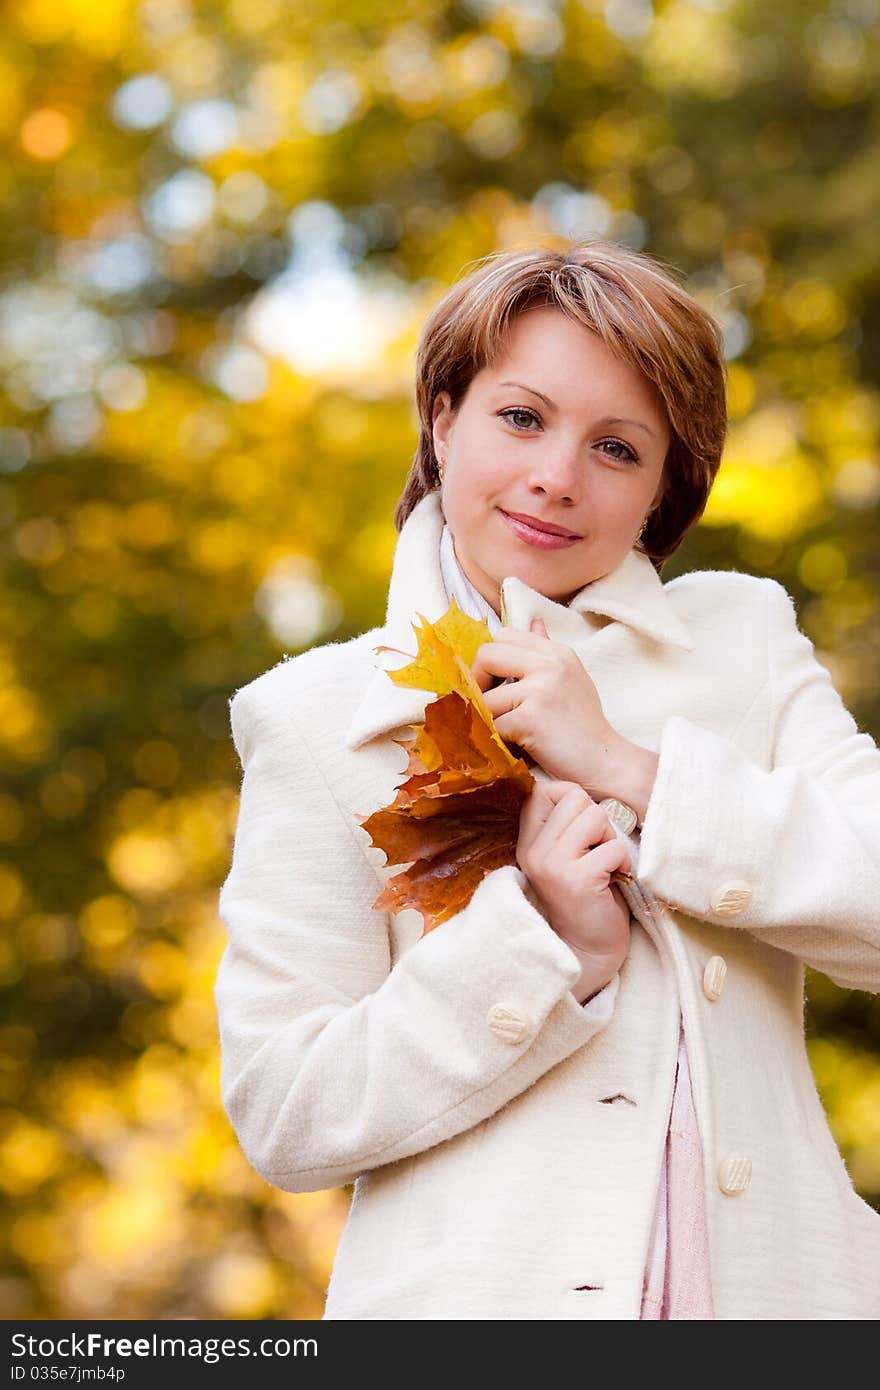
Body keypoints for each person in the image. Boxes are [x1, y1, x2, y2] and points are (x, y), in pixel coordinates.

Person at [214, 242, 880, 1320]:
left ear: (667, 485)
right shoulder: (314, 720)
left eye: (616, 448)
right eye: (520, 418)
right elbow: (288, 1112)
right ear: (441, 419)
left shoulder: (745, 644)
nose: (556, 477)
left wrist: (632, 769)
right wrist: (544, 951)